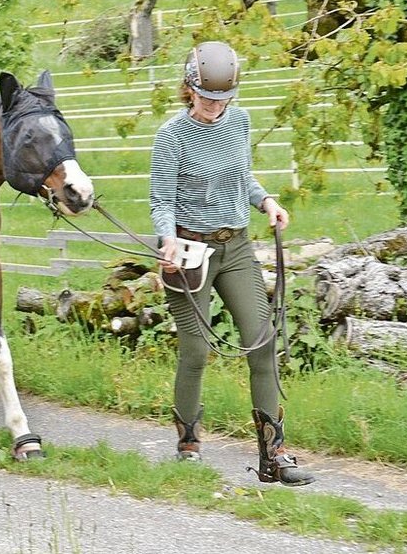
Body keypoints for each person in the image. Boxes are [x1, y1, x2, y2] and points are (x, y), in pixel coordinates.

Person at [149, 41, 313, 486]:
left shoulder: (238, 122)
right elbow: (161, 199)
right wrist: (167, 237)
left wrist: (266, 200)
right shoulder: (172, 135)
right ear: (189, 88)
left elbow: (242, 176)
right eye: (205, 99)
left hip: (236, 246)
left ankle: (274, 454)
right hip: (189, 252)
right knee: (197, 351)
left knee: (261, 341)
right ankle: (188, 445)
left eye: (222, 100)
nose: (213, 108)